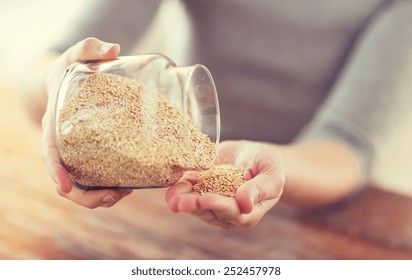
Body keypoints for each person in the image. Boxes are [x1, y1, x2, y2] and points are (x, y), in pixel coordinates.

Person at [22, 0, 412, 229]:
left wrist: (271, 168)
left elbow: (346, 146)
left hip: (309, 195)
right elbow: (44, 72)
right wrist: (55, 83)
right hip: (172, 179)